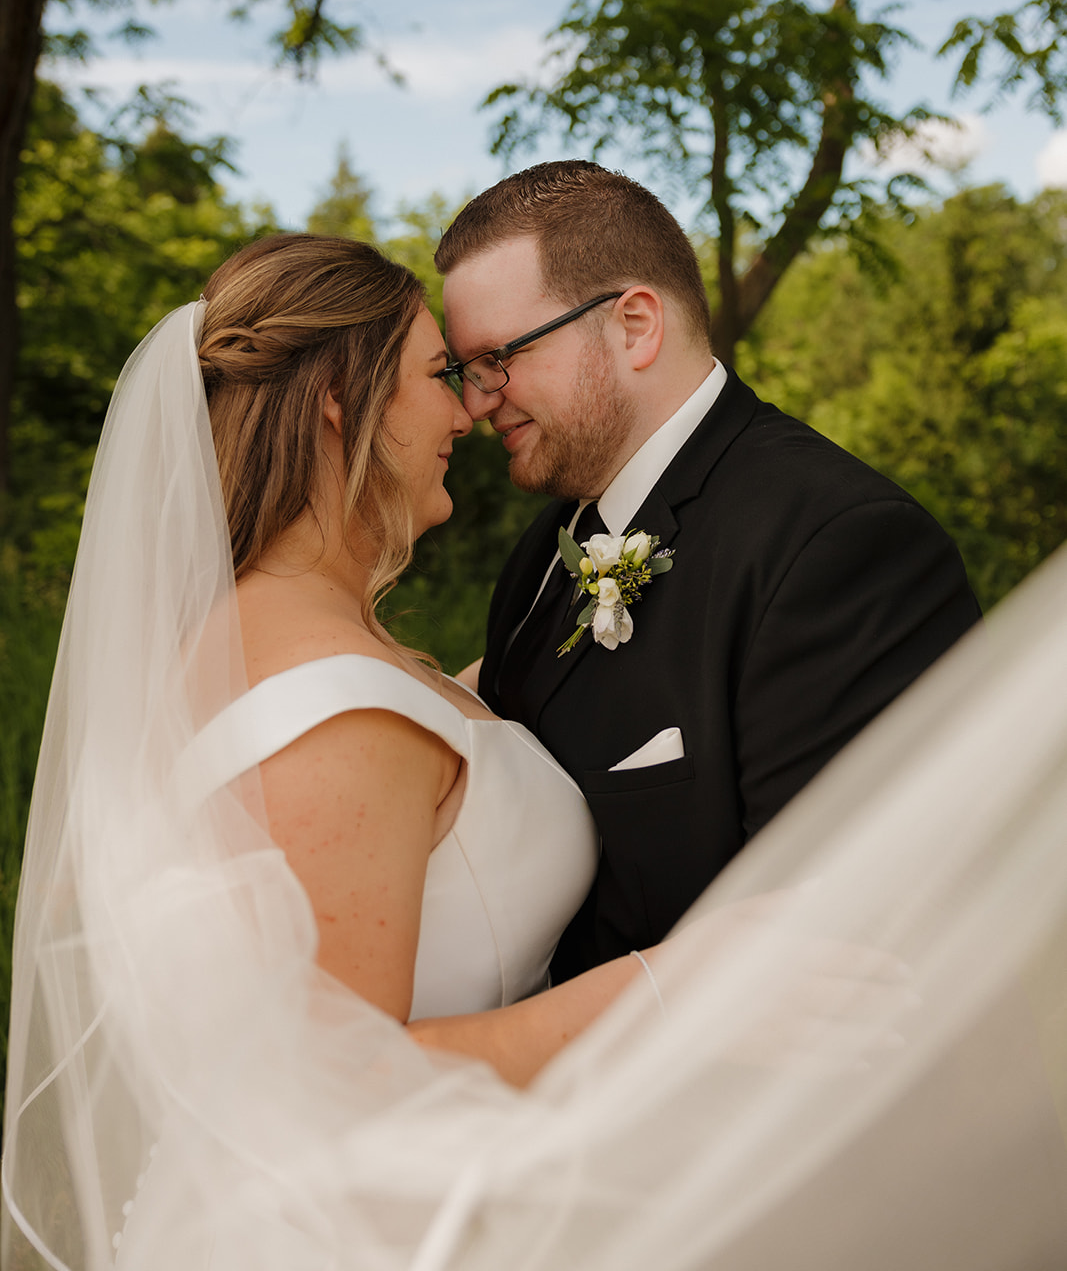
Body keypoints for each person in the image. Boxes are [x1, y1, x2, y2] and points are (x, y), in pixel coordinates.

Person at [5, 232, 1067, 1271]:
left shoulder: (301, 643)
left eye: (488, 363)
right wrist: (672, 985)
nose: (469, 403)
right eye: (441, 371)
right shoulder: (336, 704)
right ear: (340, 403)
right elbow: (327, 1089)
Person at [436, 160, 982, 980]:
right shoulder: (545, 552)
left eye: (500, 357)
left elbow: (854, 944)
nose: (479, 401)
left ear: (633, 325)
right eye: (468, 370)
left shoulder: (839, 545)